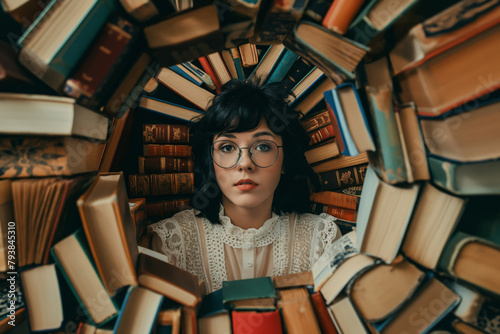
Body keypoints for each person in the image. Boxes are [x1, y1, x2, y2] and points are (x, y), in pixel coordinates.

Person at [148, 78, 341, 294]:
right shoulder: (173, 243)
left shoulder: (322, 240)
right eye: (228, 147)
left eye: (263, 146)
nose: (245, 163)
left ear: (285, 160)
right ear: (210, 160)